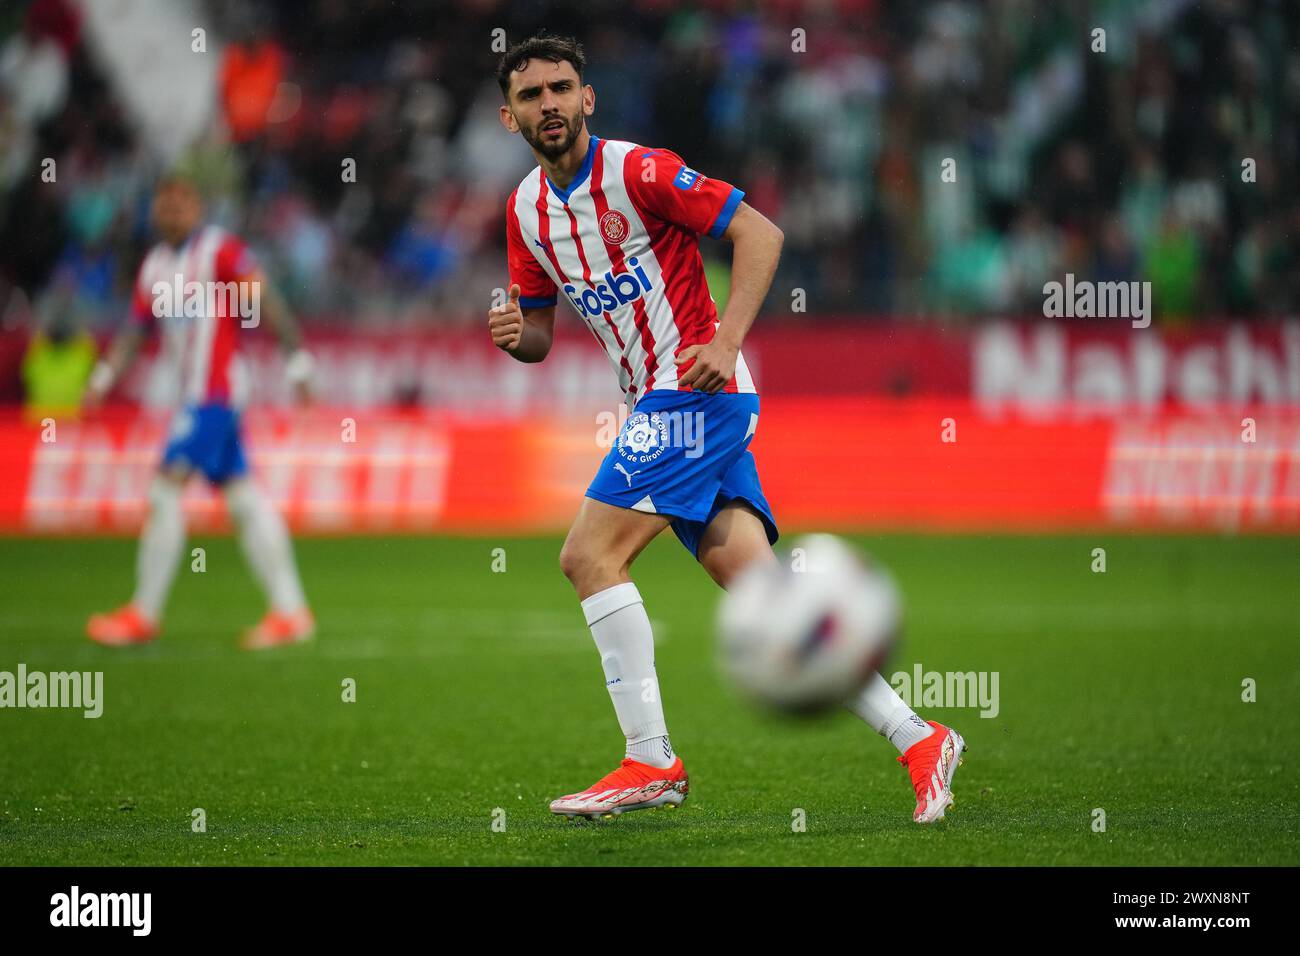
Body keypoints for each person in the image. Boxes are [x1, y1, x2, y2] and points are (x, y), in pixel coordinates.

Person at [488, 34, 965, 823]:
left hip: (694, 391)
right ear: (509, 117)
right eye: (531, 95)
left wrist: (727, 340)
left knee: (588, 556)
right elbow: (538, 334)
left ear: (588, 98)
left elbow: (761, 233)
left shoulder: (639, 171)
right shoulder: (525, 213)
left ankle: (650, 760)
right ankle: (920, 737)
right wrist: (517, 337)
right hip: (658, 402)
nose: (550, 104)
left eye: (562, 88)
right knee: (766, 595)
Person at [83, 174, 315, 650]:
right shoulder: (153, 266)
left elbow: (264, 299)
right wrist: (104, 377)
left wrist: (297, 361)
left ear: (197, 208)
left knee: (164, 487)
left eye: (181, 204)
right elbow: (135, 331)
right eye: (164, 205)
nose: (172, 213)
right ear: (155, 211)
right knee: (243, 498)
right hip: (194, 395)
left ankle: (143, 614)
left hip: (216, 394)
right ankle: (292, 612)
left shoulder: (220, 251)